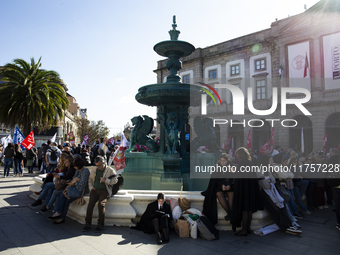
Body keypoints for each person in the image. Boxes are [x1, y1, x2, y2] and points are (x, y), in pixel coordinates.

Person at [231, 147, 263, 236]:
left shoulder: (242, 164)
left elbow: (239, 178)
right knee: (248, 209)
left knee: (245, 209)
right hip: (250, 189)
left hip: (244, 190)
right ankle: (248, 228)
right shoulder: (250, 163)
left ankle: (244, 229)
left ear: (239, 155)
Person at [49, 157, 90, 224]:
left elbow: (82, 184)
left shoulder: (85, 171)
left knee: (67, 200)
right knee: (62, 195)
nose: (74, 168)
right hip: (74, 188)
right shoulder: (78, 170)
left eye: (75, 166)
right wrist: (71, 181)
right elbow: (74, 178)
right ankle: (58, 213)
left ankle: (62, 217)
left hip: (80, 190)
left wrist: (73, 183)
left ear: (79, 165)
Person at [82, 156, 118, 232]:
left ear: (103, 163)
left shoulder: (110, 170)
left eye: (99, 165)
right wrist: (91, 187)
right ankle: (88, 223)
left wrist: (106, 180)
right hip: (95, 190)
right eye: (96, 165)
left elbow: (115, 180)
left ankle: (100, 224)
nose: (97, 167)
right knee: (90, 205)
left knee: (101, 205)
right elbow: (90, 180)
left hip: (104, 190)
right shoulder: (94, 170)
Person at [202, 153, 234, 225]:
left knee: (231, 195)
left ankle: (231, 215)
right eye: (221, 160)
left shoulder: (231, 167)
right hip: (220, 187)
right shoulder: (217, 167)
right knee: (219, 194)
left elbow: (232, 178)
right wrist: (222, 185)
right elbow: (215, 180)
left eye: (224, 160)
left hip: (230, 186)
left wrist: (229, 185)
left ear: (227, 161)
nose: (222, 162)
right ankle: (230, 214)